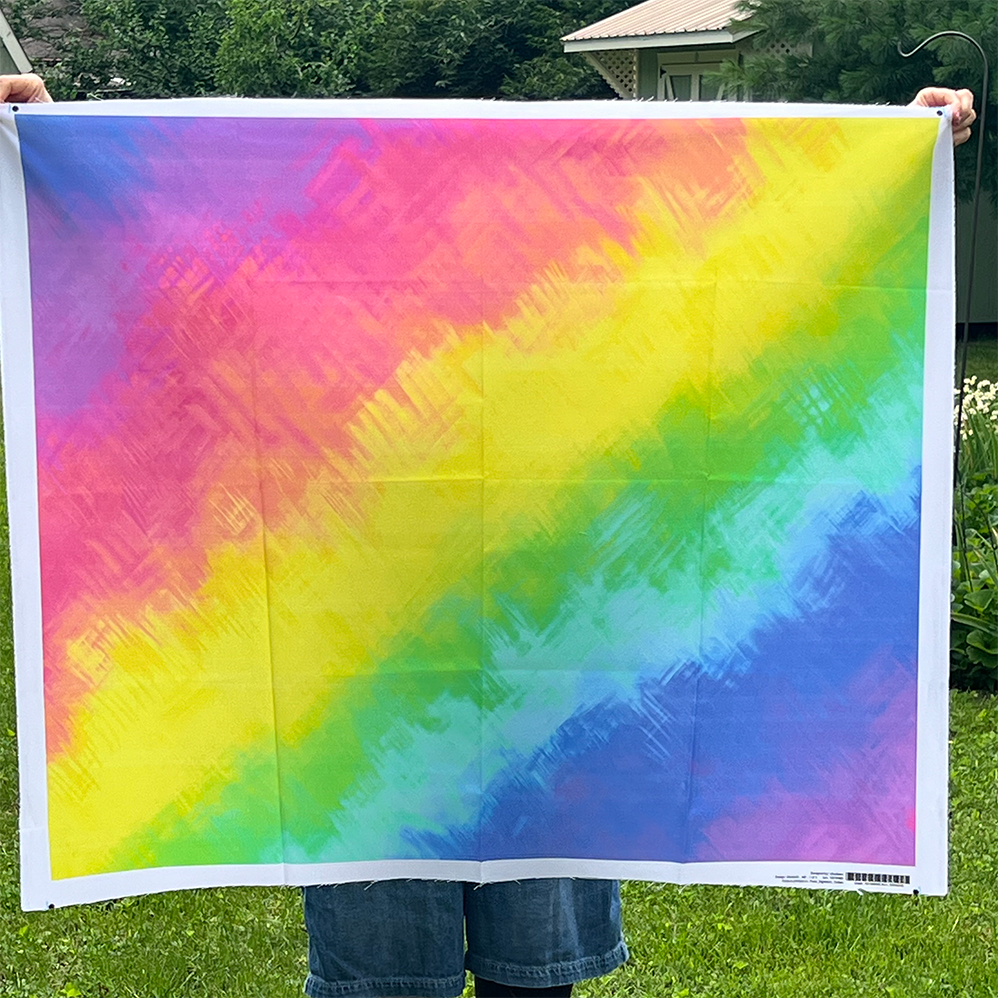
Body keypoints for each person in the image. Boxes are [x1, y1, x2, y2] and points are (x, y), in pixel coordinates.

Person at [0, 72, 976, 998]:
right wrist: (46, 139)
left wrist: (900, 149)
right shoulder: (317, 315)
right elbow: (179, 285)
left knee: (533, 979)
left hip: (546, 697)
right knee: (387, 983)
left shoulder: (594, 308)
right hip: (367, 709)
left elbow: (743, 273)